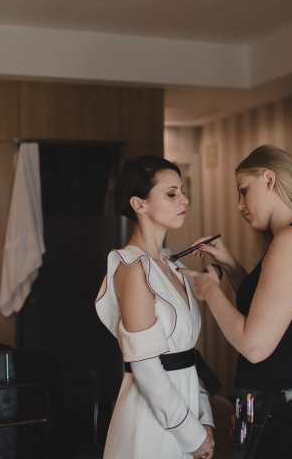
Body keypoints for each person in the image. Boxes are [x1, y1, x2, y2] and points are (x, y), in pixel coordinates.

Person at [179, 145, 292, 458]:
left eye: (243, 191)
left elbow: (254, 346)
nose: (240, 205)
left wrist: (209, 290)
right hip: (282, 410)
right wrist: (226, 260)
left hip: (288, 421)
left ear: (269, 180)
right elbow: (270, 307)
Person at [95, 155, 216, 459]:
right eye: (172, 193)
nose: (184, 199)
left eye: (182, 191)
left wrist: (204, 418)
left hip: (187, 417)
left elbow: (186, 357)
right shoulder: (133, 268)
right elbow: (147, 367)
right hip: (150, 424)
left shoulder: (172, 265)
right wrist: (191, 433)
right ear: (139, 204)